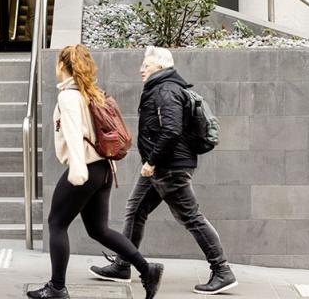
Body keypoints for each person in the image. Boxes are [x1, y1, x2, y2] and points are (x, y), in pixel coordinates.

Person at [89, 46, 238, 295]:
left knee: (191, 217)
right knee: (135, 210)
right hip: (162, 166)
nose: (141, 69)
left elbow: (171, 130)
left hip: (169, 167)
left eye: (145, 65)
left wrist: (151, 162)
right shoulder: (162, 88)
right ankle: (123, 264)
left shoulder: (166, 90)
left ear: (160, 66)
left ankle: (222, 270)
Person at [27, 44, 163, 299]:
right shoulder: (92, 93)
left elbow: (74, 136)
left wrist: (77, 172)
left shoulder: (68, 97)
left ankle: (57, 287)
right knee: (98, 229)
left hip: (85, 169)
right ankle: (147, 269)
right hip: (104, 169)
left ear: (63, 66)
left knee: (57, 223)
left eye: (58, 63)